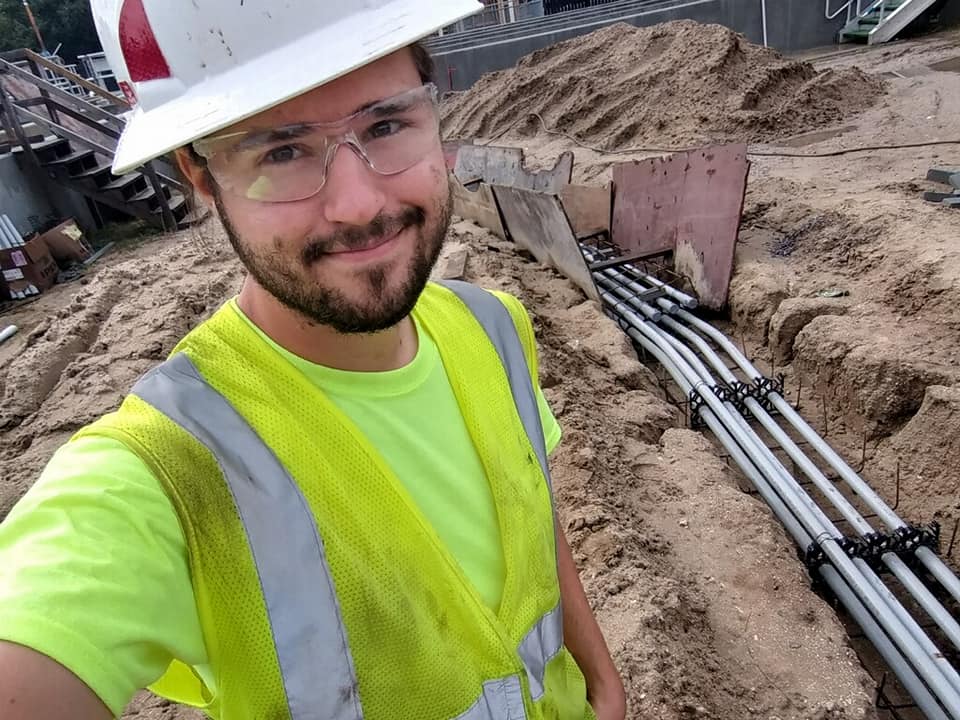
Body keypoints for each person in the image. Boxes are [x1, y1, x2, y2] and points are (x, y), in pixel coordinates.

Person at [0, 1, 627, 718]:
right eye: (281, 150)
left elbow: (534, 513)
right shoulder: (171, 468)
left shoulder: (491, 326)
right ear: (201, 176)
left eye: (385, 124)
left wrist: (603, 682)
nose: (358, 205)